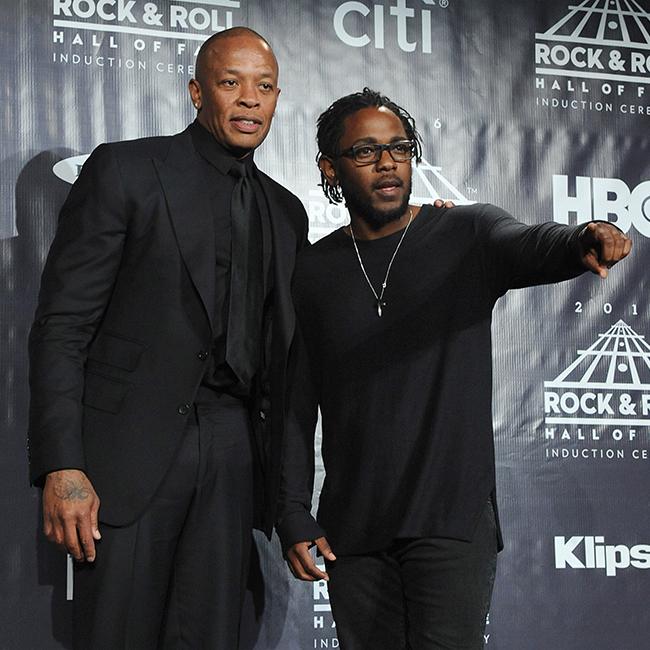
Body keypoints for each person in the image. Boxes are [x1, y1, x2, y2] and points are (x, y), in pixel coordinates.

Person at [276, 88, 632, 650]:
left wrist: (581, 238)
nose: (387, 162)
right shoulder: (313, 272)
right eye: (366, 151)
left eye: (399, 147)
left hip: (451, 520)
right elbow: (295, 406)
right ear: (330, 168)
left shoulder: (465, 234)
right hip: (354, 531)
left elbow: (528, 243)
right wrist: (293, 511)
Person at [28, 27, 309, 649]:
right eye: (231, 82)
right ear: (197, 92)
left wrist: (290, 502)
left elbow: (288, 370)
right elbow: (63, 326)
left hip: (234, 454)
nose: (249, 99)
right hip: (127, 452)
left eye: (264, 86)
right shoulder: (127, 170)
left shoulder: (286, 212)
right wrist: (62, 464)